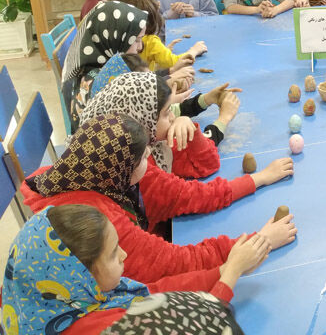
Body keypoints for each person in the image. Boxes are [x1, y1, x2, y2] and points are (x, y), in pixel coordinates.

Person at [22, 113, 297, 284]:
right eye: (144, 157)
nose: (150, 160)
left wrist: (258, 179)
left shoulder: (70, 176)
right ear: (122, 169)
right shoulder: (103, 224)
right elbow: (175, 265)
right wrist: (259, 243)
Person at [1, 204, 264, 334]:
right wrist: (230, 275)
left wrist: (221, 271)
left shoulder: (63, 300)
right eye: (115, 254)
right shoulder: (99, 327)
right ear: (83, 278)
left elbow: (152, 295)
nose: (124, 255)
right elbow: (195, 326)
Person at [81, 71, 242, 177]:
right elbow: (207, 160)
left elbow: (169, 111)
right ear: (143, 121)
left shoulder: (135, 131)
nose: (172, 117)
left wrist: (206, 99)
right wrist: (224, 119)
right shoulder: (144, 163)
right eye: (167, 113)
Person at [61, 1, 148, 133]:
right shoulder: (106, 81)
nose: (140, 47)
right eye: (136, 40)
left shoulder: (93, 66)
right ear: (116, 38)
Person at [112, 0, 206, 71]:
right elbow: (173, 62)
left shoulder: (115, 39)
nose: (139, 47)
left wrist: (162, 51)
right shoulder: (150, 41)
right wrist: (193, 51)